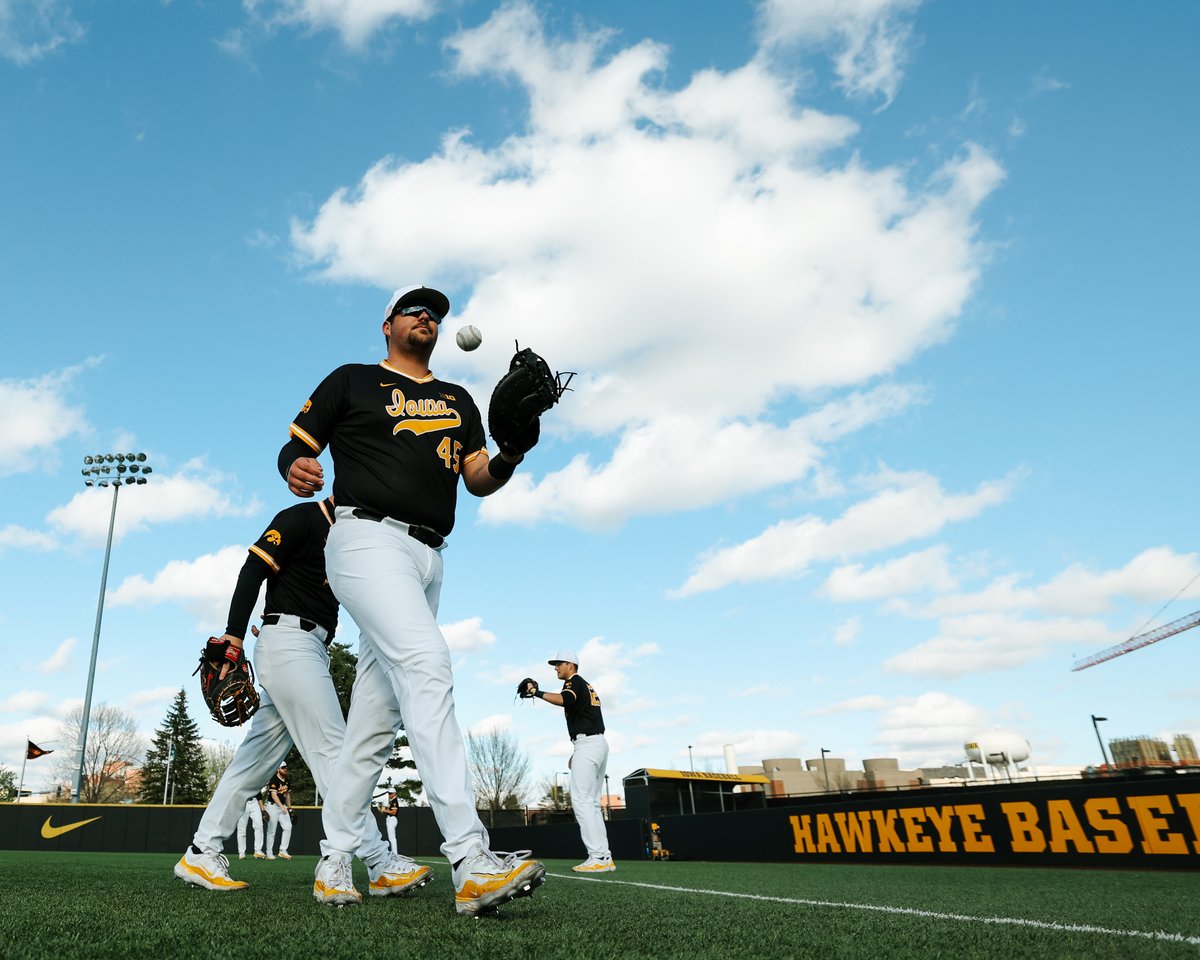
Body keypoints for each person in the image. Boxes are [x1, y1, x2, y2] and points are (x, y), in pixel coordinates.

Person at [277, 284, 546, 915]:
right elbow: (298, 442)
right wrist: (294, 464)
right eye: (415, 310)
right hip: (366, 539)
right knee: (427, 664)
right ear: (388, 324)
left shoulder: (457, 398)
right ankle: (469, 857)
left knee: (373, 723)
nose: (428, 317)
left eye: (437, 314)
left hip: (430, 558)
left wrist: (512, 452)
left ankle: (335, 861)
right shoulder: (352, 380)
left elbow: (477, 479)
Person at [173, 498, 430, 898]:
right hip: (289, 640)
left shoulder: (353, 536)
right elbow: (252, 568)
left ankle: (201, 850)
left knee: (252, 764)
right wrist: (234, 635)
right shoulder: (303, 517)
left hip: (308, 646)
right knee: (335, 753)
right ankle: (379, 862)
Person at [524, 652, 614, 872]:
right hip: (595, 742)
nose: (556, 668)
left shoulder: (573, 681)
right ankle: (604, 857)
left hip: (589, 744)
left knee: (583, 802)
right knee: (591, 803)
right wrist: (579, 750)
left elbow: (566, 699)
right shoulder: (585, 684)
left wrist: (536, 692)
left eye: (558, 664)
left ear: (571, 665)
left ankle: (597, 857)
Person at [265, 763, 293, 859]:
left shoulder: (287, 781)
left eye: (286, 768)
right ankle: (269, 853)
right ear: (278, 769)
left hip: (282, 807)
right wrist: (282, 807)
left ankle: (283, 850)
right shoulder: (274, 779)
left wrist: (289, 807)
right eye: (283, 768)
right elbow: (274, 795)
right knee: (271, 831)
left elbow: (288, 794)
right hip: (273, 806)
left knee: (288, 827)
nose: (285, 769)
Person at [236, 791, 265, 860]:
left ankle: (258, 851)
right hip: (242, 802)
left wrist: (263, 809)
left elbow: (259, 795)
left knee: (259, 826)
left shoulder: (254, 781)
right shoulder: (240, 781)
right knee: (241, 829)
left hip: (254, 802)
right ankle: (241, 852)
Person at [378, 789, 399, 855]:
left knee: (392, 837)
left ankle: (395, 853)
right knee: (391, 837)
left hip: (392, 819)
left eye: (391, 793)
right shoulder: (391, 801)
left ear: (394, 793)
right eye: (389, 793)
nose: (389, 794)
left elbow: (394, 812)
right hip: (389, 818)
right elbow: (389, 810)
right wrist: (383, 810)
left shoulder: (394, 801)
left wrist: (384, 810)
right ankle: (394, 852)